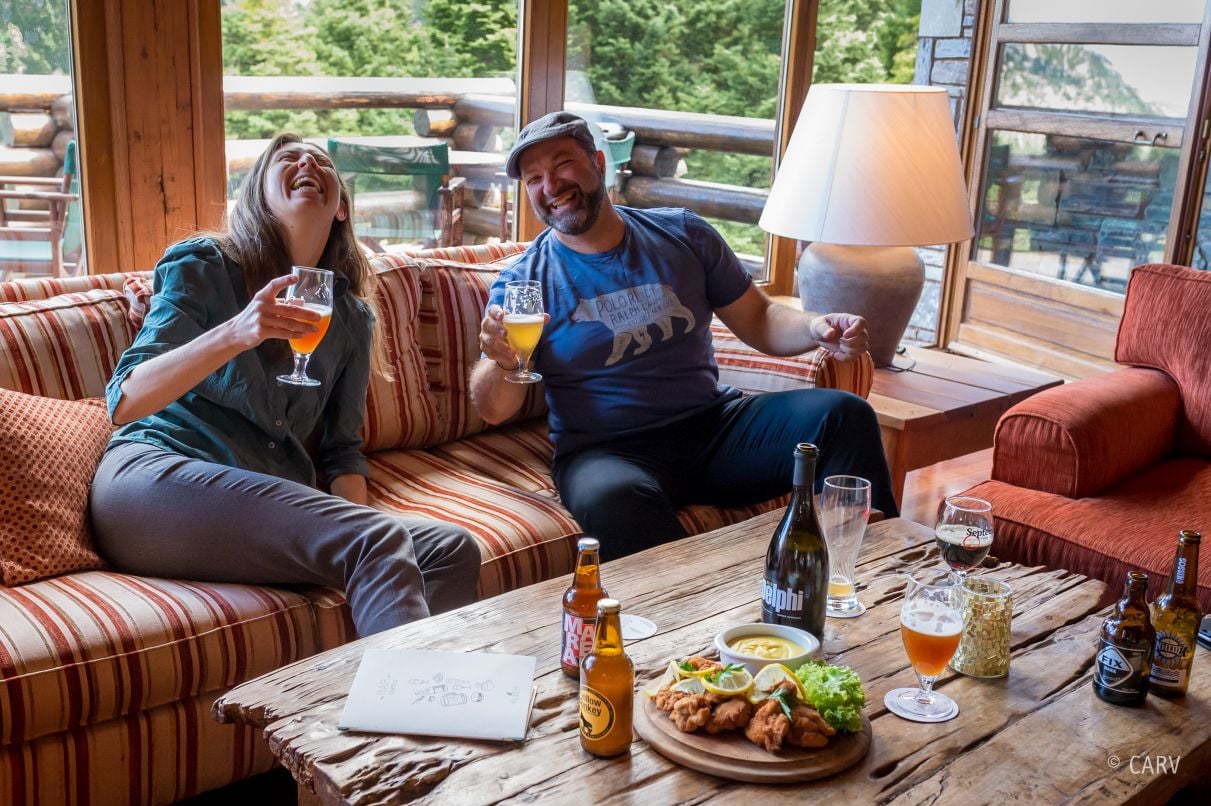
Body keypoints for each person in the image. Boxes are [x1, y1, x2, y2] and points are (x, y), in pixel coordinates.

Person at [89, 133, 481, 637]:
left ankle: (413, 682)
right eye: (288, 158)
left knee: (450, 549)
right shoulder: (205, 265)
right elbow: (124, 400)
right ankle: (412, 692)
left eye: (321, 162)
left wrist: (351, 533)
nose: (307, 163)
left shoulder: (349, 317)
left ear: (341, 208)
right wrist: (237, 332)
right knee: (379, 539)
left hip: (258, 506)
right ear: (258, 194)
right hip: (153, 485)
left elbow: (341, 452)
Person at [470, 112, 897, 561]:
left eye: (562, 164)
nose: (551, 186)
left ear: (598, 162)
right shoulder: (524, 283)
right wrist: (501, 361)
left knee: (844, 415)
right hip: (607, 453)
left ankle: (871, 570)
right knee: (613, 500)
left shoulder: (683, 234)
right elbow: (493, 409)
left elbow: (760, 318)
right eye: (534, 178)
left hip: (714, 427)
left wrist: (816, 327)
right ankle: (697, 603)